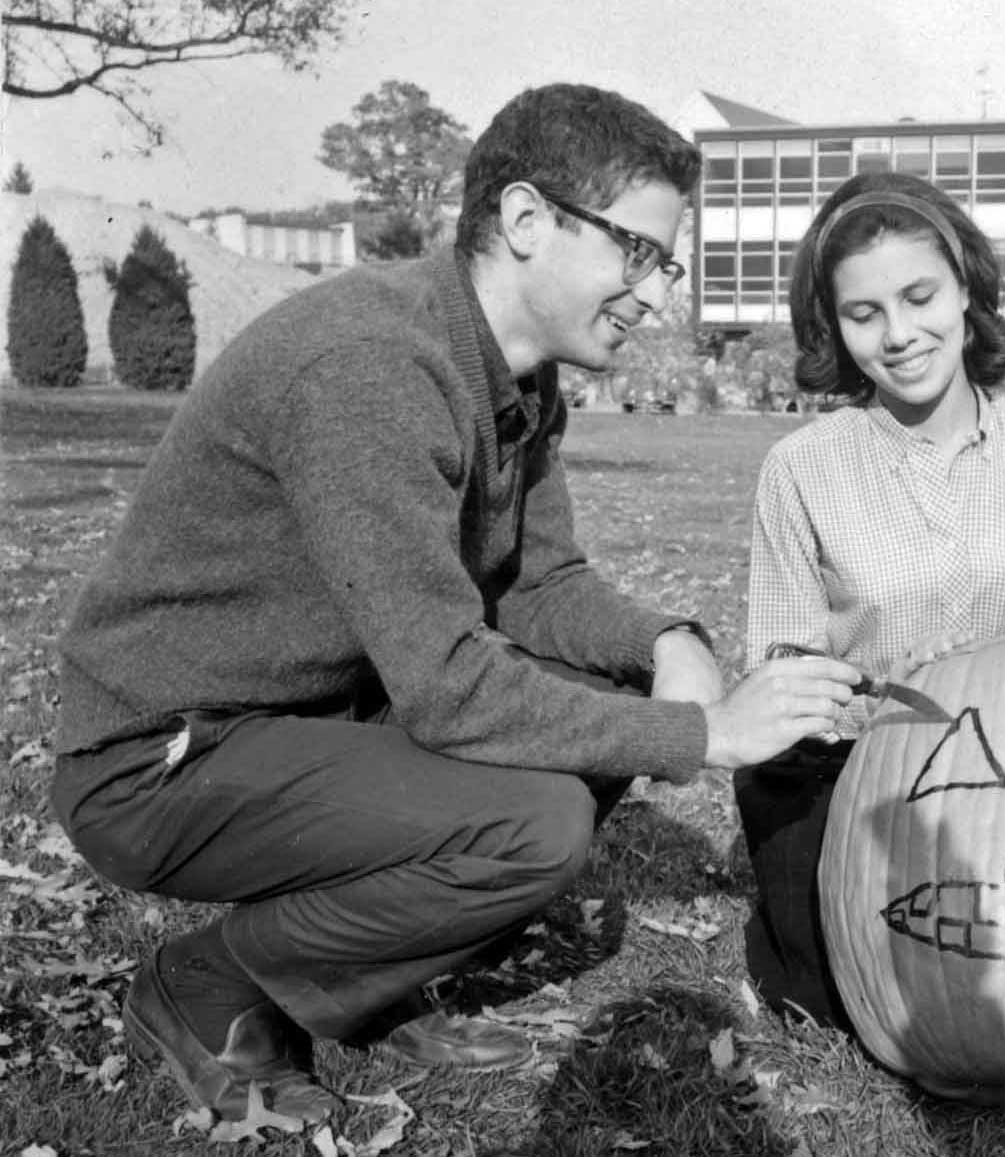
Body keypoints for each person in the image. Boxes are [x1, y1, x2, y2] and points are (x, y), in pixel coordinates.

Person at [49, 84, 862, 1126]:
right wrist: (702, 731)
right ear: (527, 221)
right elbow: (443, 686)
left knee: (603, 688)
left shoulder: (517, 376)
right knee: (533, 821)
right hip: (163, 757)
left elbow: (538, 583)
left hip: (305, 717)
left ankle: (366, 982)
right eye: (640, 253)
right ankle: (208, 983)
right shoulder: (372, 365)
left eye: (666, 261)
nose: (657, 291)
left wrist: (668, 639)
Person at [738, 171, 1005, 1022]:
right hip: (859, 770)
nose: (898, 335)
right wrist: (875, 709)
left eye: (919, 296)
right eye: (863, 313)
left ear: (965, 288)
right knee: (835, 997)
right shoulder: (801, 468)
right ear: (834, 326)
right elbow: (781, 670)